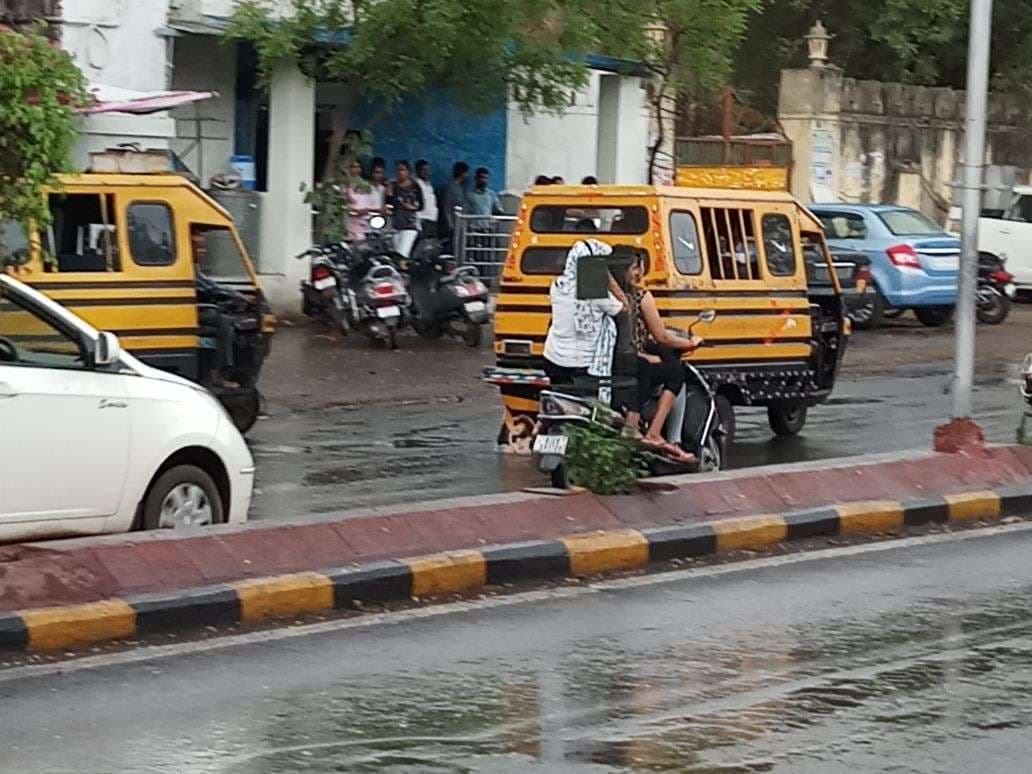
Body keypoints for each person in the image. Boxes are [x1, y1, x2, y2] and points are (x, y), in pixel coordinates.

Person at [621, 249, 702, 449]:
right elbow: (662, 336)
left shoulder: (602, 296)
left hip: (603, 362)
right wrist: (690, 343)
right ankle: (658, 434)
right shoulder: (640, 297)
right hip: (628, 363)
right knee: (676, 372)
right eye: (635, 268)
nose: (639, 274)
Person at [542, 240, 628, 386]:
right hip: (581, 365)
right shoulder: (597, 293)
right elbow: (625, 309)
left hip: (552, 359)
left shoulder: (557, 286)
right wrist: (607, 278)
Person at [387, 160, 424, 258]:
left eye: (402, 170)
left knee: (402, 254)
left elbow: (421, 206)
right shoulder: (393, 186)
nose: (399, 172)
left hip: (409, 225)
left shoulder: (415, 187)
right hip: (394, 226)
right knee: (394, 255)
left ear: (408, 171)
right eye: (398, 170)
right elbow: (389, 205)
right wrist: (389, 195)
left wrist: (411, 207)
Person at [343, 159, 377, 241]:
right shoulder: (343, 185)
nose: (355, 170)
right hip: (345, 223)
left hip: (361, 224)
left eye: (357, 167)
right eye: (352, 167)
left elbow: (369, 205)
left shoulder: (365, 185)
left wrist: (362, 210)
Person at [440, 161, 469, 243]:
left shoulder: (460, 188)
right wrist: (450, 225)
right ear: (463, 173)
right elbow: (446, 206)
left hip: (460, 225)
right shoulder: (450, 187)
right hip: (452, 225)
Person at [414, 159, 438, 239]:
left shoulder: (429, 186)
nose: (427, 172)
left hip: (431, 220)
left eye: (428, 170)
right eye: (424, 170)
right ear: (418, 171)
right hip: (422, 220)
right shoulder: (416, 185)